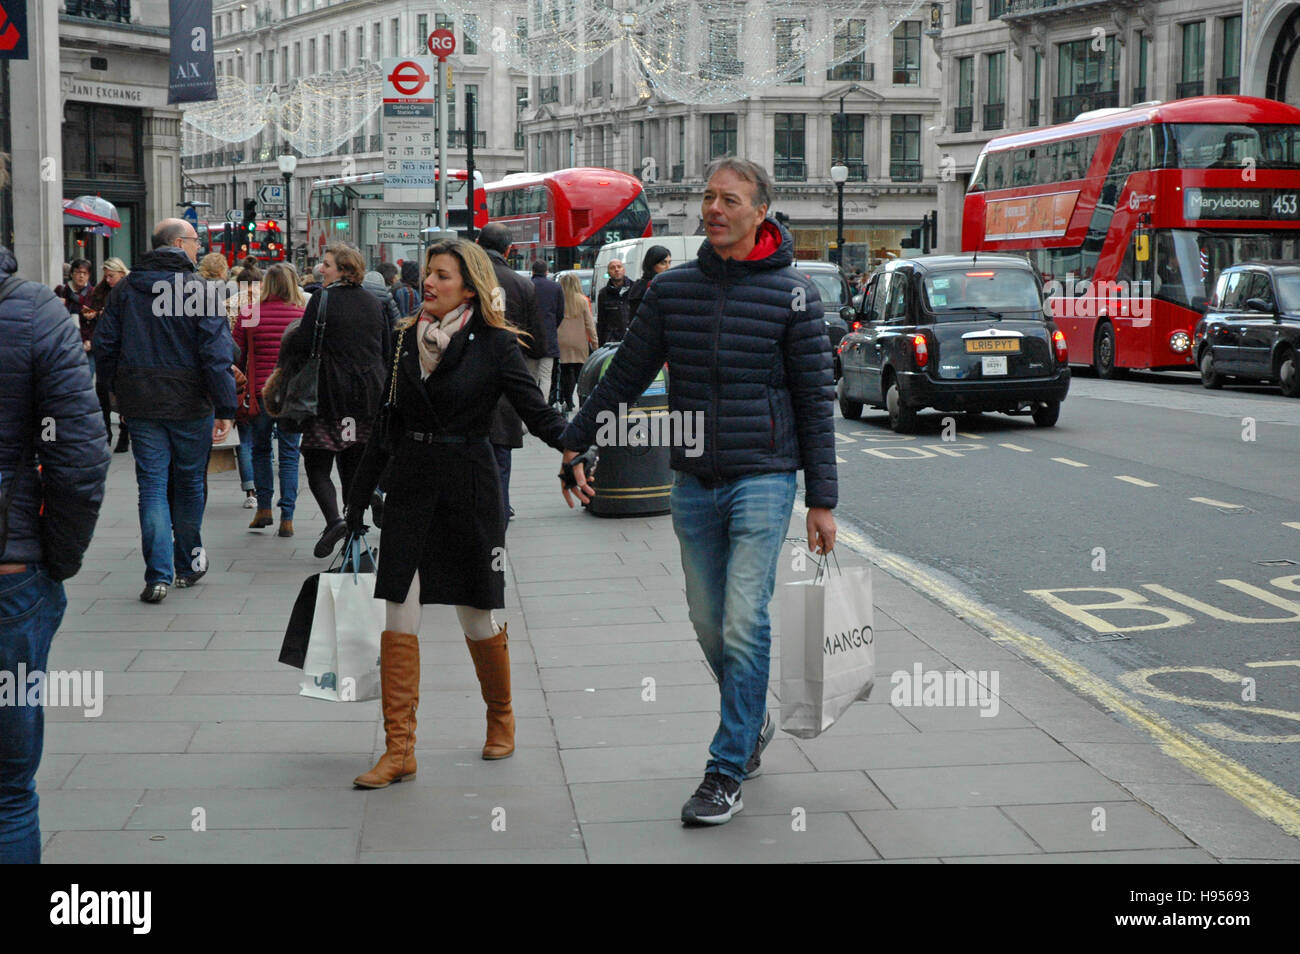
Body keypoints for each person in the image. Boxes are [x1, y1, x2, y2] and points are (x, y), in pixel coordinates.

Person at [560, 157, 838, 826]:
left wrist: (822, 499)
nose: (714, 208)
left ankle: (726, 767)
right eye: (709, 197)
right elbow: (624, 375)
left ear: (760, 212)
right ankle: (752, 720)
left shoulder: (795, 294)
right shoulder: (673, 291)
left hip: (765, 477)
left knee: (746, 617)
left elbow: (814, 399)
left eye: (730, 199)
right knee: (709, 621)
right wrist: (576, 439)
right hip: (692, 480)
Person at [342, 240, 571, 789]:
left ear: (468, 285)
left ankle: (501, 715)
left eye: (441, 275)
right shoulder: (403, 340)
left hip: (469, 486)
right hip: (411, 485)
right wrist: (356, 498)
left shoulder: (494, 344)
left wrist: (575, 447)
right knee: (400, 607)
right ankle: (400, 750)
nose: (429, 283)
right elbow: (385, 422)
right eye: (427, 274)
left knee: (476, 614)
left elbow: (535, 410)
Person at [0, 153, 111, 863]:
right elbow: (79, 457)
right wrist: (54, 560)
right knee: (8, 788)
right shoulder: (35, 312)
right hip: (10, 573)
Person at [95, 218, 236, 602]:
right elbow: (215, 353)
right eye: (195, 241)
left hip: (142, 401)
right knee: (190, 483)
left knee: (153, 486)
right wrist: (225, 405)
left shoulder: (126, 290)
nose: (199, 248)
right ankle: (187, 563)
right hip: (191, 403)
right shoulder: (201, 290)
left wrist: (112, 394)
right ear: (177, 243)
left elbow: (105, 345)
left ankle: (157, 575)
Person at [279, 244, 389, 559]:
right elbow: (383, 348)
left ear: (343, 269)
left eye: (326, 264)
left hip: (328, 397)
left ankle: (334, 521)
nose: (320, 269)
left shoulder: (323, 300)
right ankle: (356, 529)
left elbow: (303, 343)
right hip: (364, 400)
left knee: (317, 464)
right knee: (353, 463)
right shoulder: (373, 301)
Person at [476, 224, 546, 521]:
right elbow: (537, 341)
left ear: (478, 244)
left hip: (467, 380)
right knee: (501, 451)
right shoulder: (522, 285)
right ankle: (499, 510)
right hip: (506, 380)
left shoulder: (467, 278)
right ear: (508, 250)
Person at [234, 263, 304, 537]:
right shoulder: (302, 314)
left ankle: (264, 508)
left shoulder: (250, 314)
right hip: (291, 395)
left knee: (260, 450)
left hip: (260, 393)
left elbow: (236, 354)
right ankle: (288, 516)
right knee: (288, 455)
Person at [82, 258, 130, 452]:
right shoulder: (101, 291)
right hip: (104, 348)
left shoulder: (130, 290)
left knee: (122, 393)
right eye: (106, 276)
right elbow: (92, 311)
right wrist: (92, 315)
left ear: (121, 273)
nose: (108, 279)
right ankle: (106, 433)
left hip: (123, 348)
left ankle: (125, 434)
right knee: (102, 389)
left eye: (111, 275)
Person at [226, 263, 263, 509]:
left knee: (245, 439)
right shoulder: (268, 304)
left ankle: (250, 489)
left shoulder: (228, 306)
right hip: (265, 376)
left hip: (238, 377)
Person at [556, 272, 597, 412]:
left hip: (561, 341)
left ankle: (568, 401)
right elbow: (589, 324)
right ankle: (582, 401)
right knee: (581, 372)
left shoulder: (559, 300)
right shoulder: (582, 300)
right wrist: (595, 343)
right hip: (579, 342)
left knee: (566, 373)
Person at [530, 260, 564, 404]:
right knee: (545, 376)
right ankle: (542, 406)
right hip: (548, 338)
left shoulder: (527, 285)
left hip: (529, 338)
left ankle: (529, 405)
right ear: (547, 272)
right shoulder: (555, 287)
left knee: (530, 376)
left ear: (532, 271)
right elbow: (560, 313)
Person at [627, 245, 672, 318]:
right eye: (663, 263)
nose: (668, 267)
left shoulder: (639, 285)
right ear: (652, 264)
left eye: (669, 262)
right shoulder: (650, 286)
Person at [596, 258, 631, 345]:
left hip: (632, 340)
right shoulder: (603, 294)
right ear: (608, 273)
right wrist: (601, 343)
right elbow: (601, 322)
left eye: (619, 267)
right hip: (612, 343)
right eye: (612, 268)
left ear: (624, 270)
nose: (616, 270)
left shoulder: (634, 289)